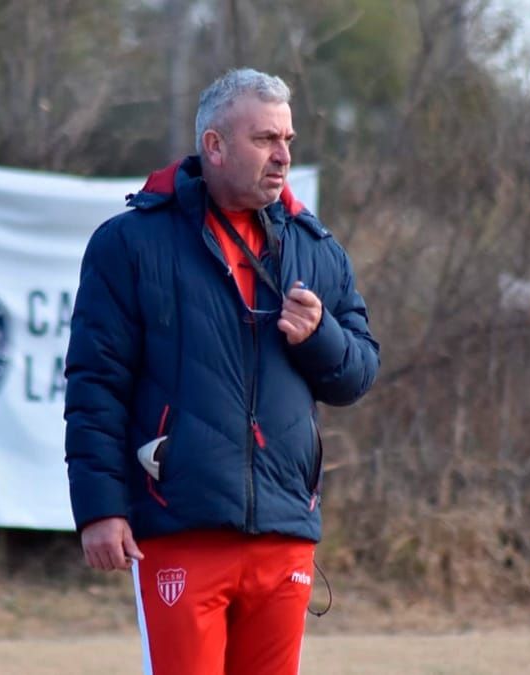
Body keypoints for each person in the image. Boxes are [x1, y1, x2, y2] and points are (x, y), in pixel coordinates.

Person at [64, 68, 379, 675]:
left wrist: (322, 338)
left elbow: (358, 375)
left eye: (287, 140)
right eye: (265, 139)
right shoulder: (128, 243)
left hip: (285, 531)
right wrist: (100, 508)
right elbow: (94, 384)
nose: (282, 155)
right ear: (214, 146)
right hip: (180, 526)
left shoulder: (318, 248)